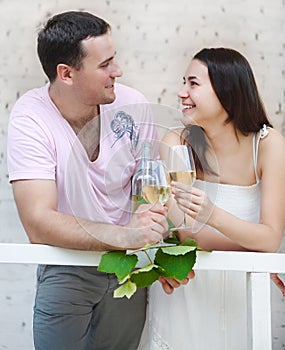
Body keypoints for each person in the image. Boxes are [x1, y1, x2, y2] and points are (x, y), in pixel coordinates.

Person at [7, 11, 171, 350]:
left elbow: (151, 191)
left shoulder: (133, 105)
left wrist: (159, 252)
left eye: (115, 60)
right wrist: (127, 235)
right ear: (66, 74)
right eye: (105, 65)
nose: (118, 71)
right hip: (67, 267)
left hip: (128, 269)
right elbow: (38, 222)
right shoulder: (30, 117)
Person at [143, 47, 285, 349]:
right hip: (187, 288)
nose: (181, 93)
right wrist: (255, 248)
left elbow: (272, 239)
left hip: (241, 292)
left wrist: (213, 215)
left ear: (226, 90)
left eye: (193, 84)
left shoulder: (269, 145)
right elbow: (189, 236)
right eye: (185, 82)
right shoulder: (176, 142)